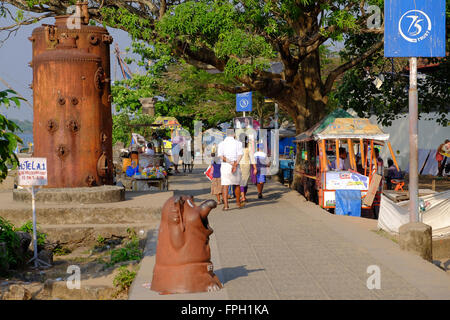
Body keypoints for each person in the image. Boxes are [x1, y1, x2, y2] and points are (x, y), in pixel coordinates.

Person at [217, 131, 244, 210]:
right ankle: (238, 203)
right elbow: (240, 155)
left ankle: (226, 206)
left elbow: (221, 156)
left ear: (226, 134)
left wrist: (230, 162)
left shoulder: (221, 143)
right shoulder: (238, 143)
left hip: (225, 165)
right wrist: (235, 164)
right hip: (236, 164)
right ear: (234, 135)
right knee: (237, 184)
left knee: (225, 186)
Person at [239, 137, 256, 203]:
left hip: (244, 165)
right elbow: (252, 158)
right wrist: (255, 168)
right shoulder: (247, 146)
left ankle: (243, 196)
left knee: (244, 182)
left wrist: (255, 168)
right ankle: (243, 196)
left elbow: (252, 158)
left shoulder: (248, 147)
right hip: (242, 165)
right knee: (243, 182)